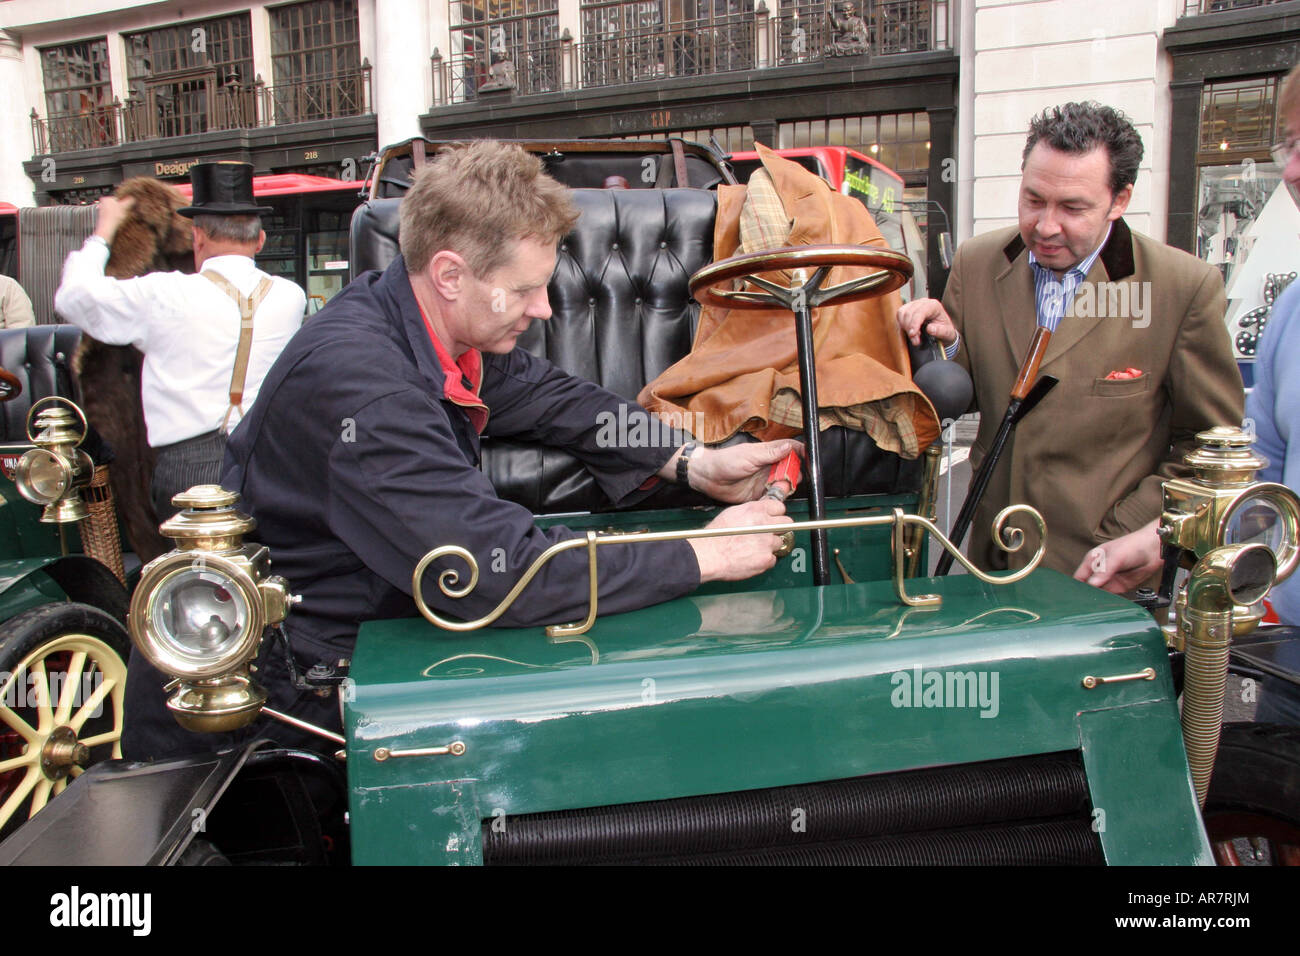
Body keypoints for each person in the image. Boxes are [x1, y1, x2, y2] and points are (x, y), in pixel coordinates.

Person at [121, 140, 798, 760]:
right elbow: (496, 571)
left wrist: (691, 462)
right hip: (282, 710)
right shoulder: (368, 391)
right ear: (449, 274)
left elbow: (557, 400)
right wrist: (705, 554)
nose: (543, 311)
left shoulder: (413, 320)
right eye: (528, 289)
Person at [897, 102, 1243, 582]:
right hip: (987, 564)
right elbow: (978, 388)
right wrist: (949, 345)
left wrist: (1123, 532)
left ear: (1119, 201)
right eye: (1033, 200)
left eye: (1072, 208)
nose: (1045, 226)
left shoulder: (1182, 288)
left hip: (1101, 576)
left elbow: (1208, 450)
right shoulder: (978, 262)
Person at [54, 162, 306, 521]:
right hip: (269, 460)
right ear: (260, 239)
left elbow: (74, 296)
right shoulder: (290, 296)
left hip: (190, 470)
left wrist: (104, 233)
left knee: (191, 576)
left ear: (197, 237)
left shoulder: (166, 293)